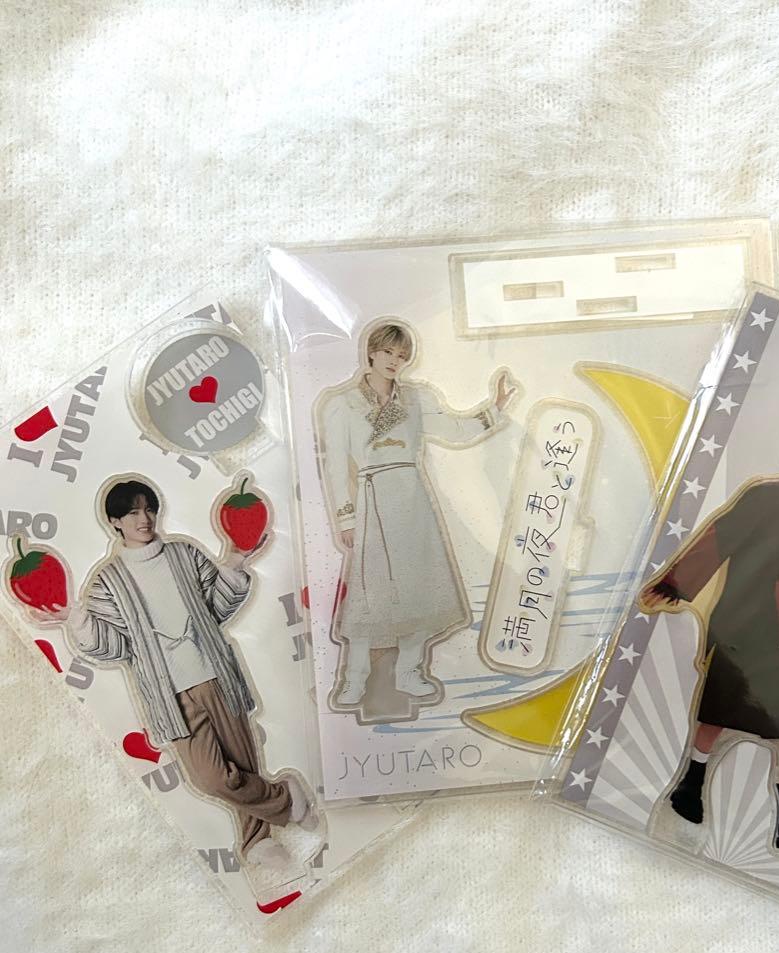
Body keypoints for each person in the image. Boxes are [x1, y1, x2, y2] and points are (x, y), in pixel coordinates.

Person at [36, 478, 315, 869]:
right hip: (171, 698)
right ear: (115, 521)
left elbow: (217, 610)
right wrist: (74, 618)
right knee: (210, 778)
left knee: (243, 764)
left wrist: (235, 562)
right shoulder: (107, 583)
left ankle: (258, 841)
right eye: (133, 512)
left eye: (149, 509)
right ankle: (285, 798)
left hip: (215, 676)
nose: (144, 518)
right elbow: (113, 647)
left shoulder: (184, 554)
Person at [639, 441, 779, 850]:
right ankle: (689, 786)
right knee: (719, 709)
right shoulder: (769, 494)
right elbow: (721, 536)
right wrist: (677, 583)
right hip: (746, 622)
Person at [317, 320, 516, 707]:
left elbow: (454, 429)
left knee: (420, 587)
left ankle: (410, 672)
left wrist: (494, 409)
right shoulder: (342, 404)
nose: (394, 361)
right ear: (371, 351)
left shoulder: (415, 398)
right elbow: (336, 467)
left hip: (412, 499)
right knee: (369, 592)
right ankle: (354, 677)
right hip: (372, 501)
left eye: (401, 355)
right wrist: (346, 518)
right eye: (387, 352)